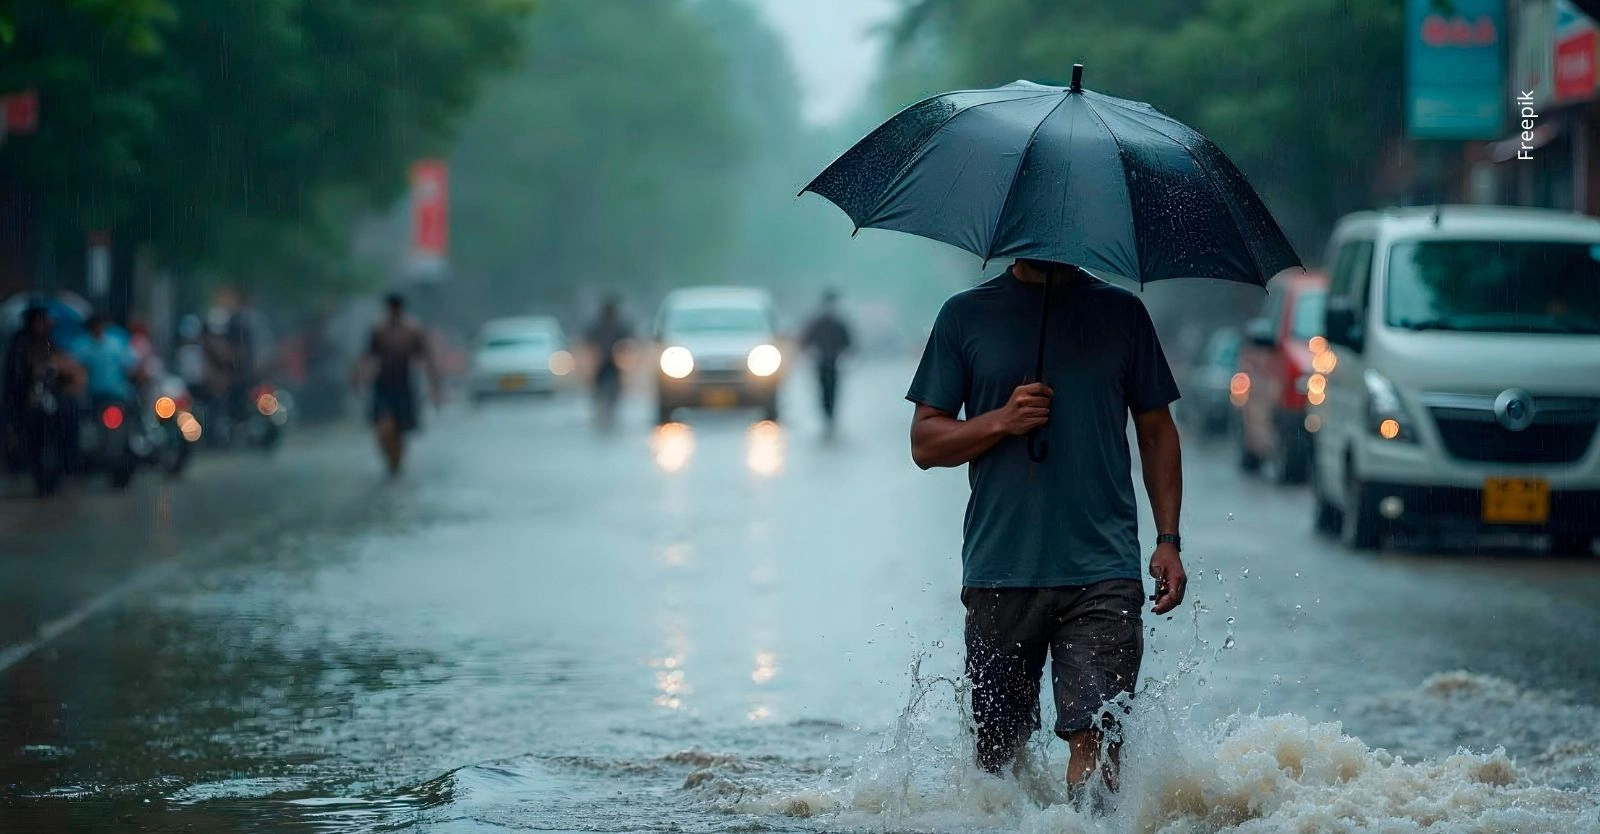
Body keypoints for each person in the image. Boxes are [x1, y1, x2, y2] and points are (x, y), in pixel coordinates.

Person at [906, 258, 1187, 802]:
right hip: (1000, 569)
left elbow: (1157, 432)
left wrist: (1168, 540)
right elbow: (924, 443)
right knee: (998, 759)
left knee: (1099, 741)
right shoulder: (964, 316)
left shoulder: (1123, 313)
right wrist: (1002, 420)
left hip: (1103, 570)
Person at [355, 293, 440, 475]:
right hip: (383, 384)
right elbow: (366, 356)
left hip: (404, 384)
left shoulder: (412, 330)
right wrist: (360, 380)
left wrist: (435, 387)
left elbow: (426, 357)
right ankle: (389, 457)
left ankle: (396, 464)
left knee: (400, 429)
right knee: (384, 426)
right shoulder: (378, 329)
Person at [800, 289, 854, 433]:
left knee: (833, 391)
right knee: (823, 390)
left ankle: (830, 416)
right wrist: (812, 353)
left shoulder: (839, 324)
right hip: (821, 363)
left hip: (834, 363)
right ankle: (826, 416)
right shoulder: (818, 323)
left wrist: (842, 355)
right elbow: (804, 341)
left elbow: (849, 343)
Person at [583, 296, 633, 430]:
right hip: (601, 363)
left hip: (614, 363)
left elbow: (628, 342)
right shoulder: (598, 326)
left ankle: (609, 412)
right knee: (599, 390)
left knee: (614, 390)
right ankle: (602, 413)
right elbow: (588, 343)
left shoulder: (619, 326)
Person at [72, 313, 140, 408]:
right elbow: (74, 368)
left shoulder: (116, 344)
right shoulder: (81, 346)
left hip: (117, 393)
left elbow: (131, 365)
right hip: (93, 394)